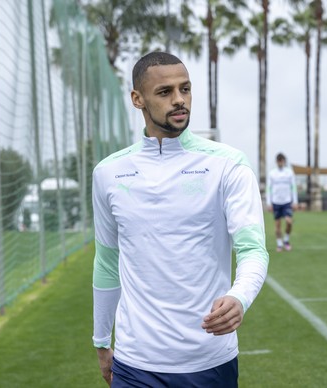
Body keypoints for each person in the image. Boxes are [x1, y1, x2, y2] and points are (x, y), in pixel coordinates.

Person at [91, 52, 269, 388]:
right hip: (134, 363)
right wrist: (101, 340)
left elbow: (252, 249)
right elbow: (107, 262)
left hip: (209, 360)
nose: (179, 100)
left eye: (185, 89)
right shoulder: (108, 173)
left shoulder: (228, 164)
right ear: (137, 98)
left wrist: (239, 296)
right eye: (165, 92)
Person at [266, 153, 298, 252]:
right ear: (276, 161)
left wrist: (295, 201)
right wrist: (269, 202)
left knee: (289, 222)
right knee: (277, 224)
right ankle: (279, 244)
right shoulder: (272, 173)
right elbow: (269, 188)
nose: (280, 162)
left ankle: (286, 240)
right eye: (278, 160)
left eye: (282, 160)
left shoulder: (289, 173)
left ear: (284, 161)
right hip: (276, 202)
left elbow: (293, 187)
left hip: (287, 201)